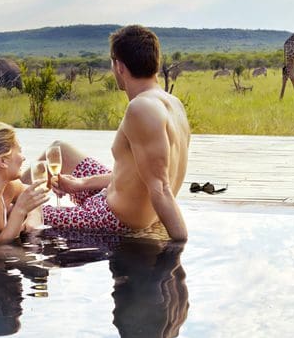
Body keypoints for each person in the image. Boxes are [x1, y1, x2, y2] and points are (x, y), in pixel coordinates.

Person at [40, 24, 191, 241]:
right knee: (59, 149)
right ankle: (5, 189)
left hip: (113, 218)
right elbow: (139, 174)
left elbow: (160, 188)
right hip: (113, 196)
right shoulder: (173, 104)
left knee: (25, 212)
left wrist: (179, 250)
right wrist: (80, 183)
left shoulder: (141, 108)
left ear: (119, 66)